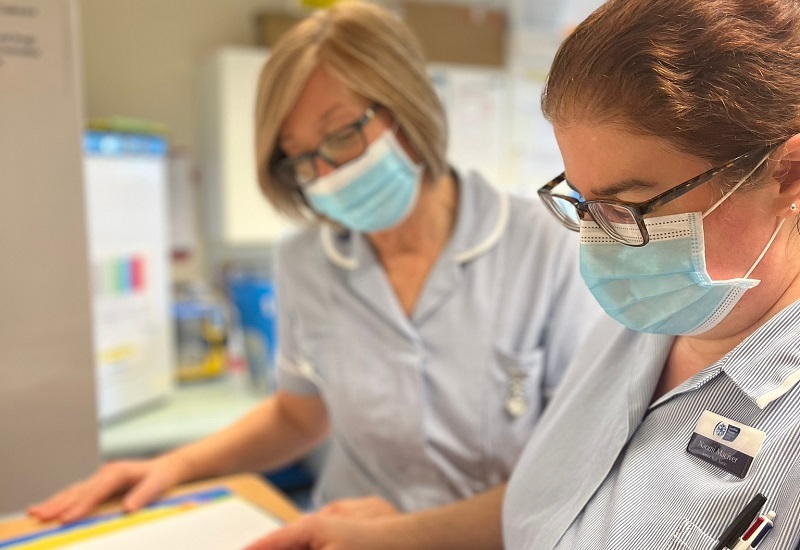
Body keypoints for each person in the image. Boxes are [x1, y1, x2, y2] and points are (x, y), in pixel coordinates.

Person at [27, 2, 601, 543]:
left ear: (407, 107)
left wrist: (398, 537)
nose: (325, 172)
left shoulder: (545, 249)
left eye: (342, 134)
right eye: (301, 156)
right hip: (339, 534)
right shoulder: (306, 261)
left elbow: (571, 477)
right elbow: (298, 415)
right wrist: (172, 467)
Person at [248, 0, 800, 549]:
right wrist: (397, 536)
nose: (600, 242)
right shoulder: (640, 326)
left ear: (788, 175)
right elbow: (544, 517)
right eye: (583, 204)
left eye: (629, 206)